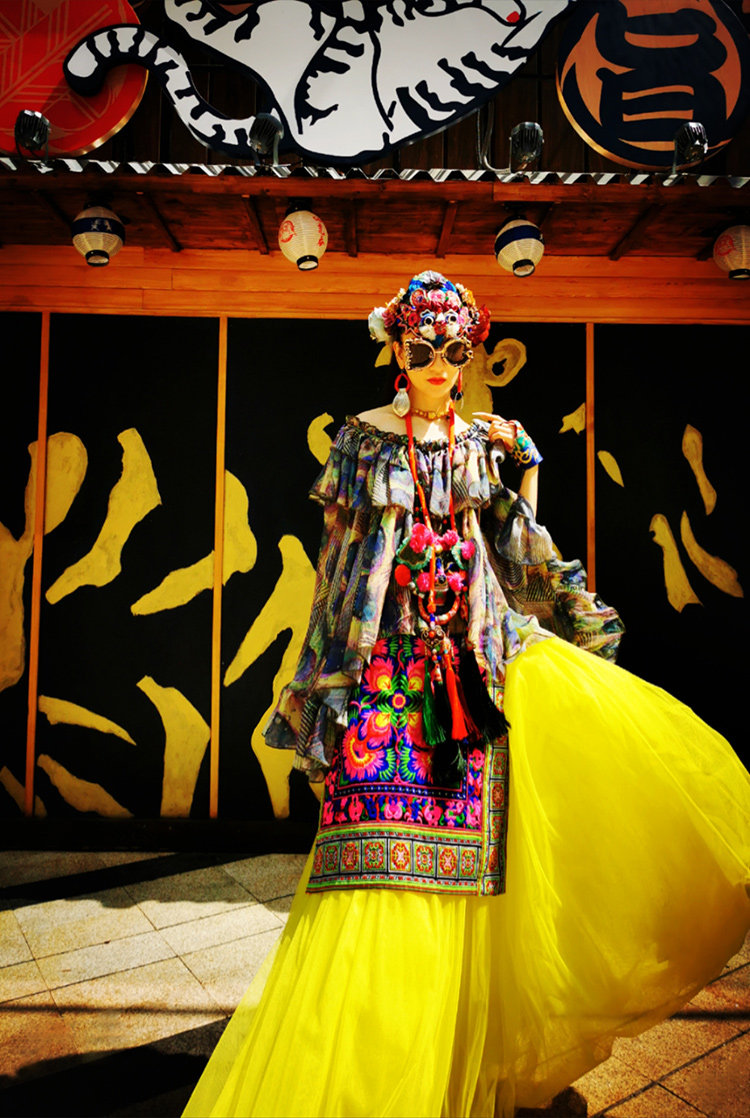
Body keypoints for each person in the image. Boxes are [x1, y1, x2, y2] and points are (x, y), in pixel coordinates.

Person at [184, 271, 750, 1118]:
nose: (442, 366)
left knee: (476, 874)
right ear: (396, 348)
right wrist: (326, 685)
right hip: (386, 677)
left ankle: (458, 1058)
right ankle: (369, 1064)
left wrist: (558, 562)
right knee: (370, 870)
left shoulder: (483, 442)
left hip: (474, 667)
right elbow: (339, 572)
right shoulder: (364, 441)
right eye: (424, 349)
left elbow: (513, 541)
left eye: (456, 350)